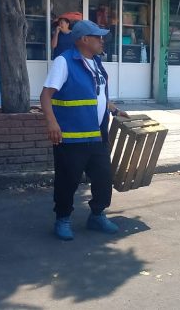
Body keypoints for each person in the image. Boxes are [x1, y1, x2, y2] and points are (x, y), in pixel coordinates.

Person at [40, 20, 129, 241]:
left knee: (103, 178)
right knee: (67, 181)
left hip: (97, 135)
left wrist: (115, 110)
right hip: (71, 137)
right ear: (83, 39)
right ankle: (62, 219)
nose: (102, 40)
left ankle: (97, 215)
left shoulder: (97, 62)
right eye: (97, 37)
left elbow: (97, 96)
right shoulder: (65, 62)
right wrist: (51, 123)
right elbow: (45, 96)